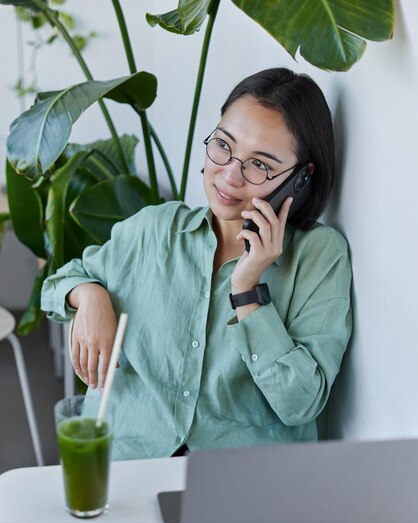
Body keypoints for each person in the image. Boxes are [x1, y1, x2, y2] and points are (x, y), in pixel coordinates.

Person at [41, 67, 352, 460]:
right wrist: (88, 296)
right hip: (127, 469)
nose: (229, 175)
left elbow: (300, 405)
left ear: (301, 179)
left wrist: (248, 292)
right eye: (223, 145)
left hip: (241, 485)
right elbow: (57, 285)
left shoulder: (319, 257)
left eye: (260, 165)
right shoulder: (154, 230)